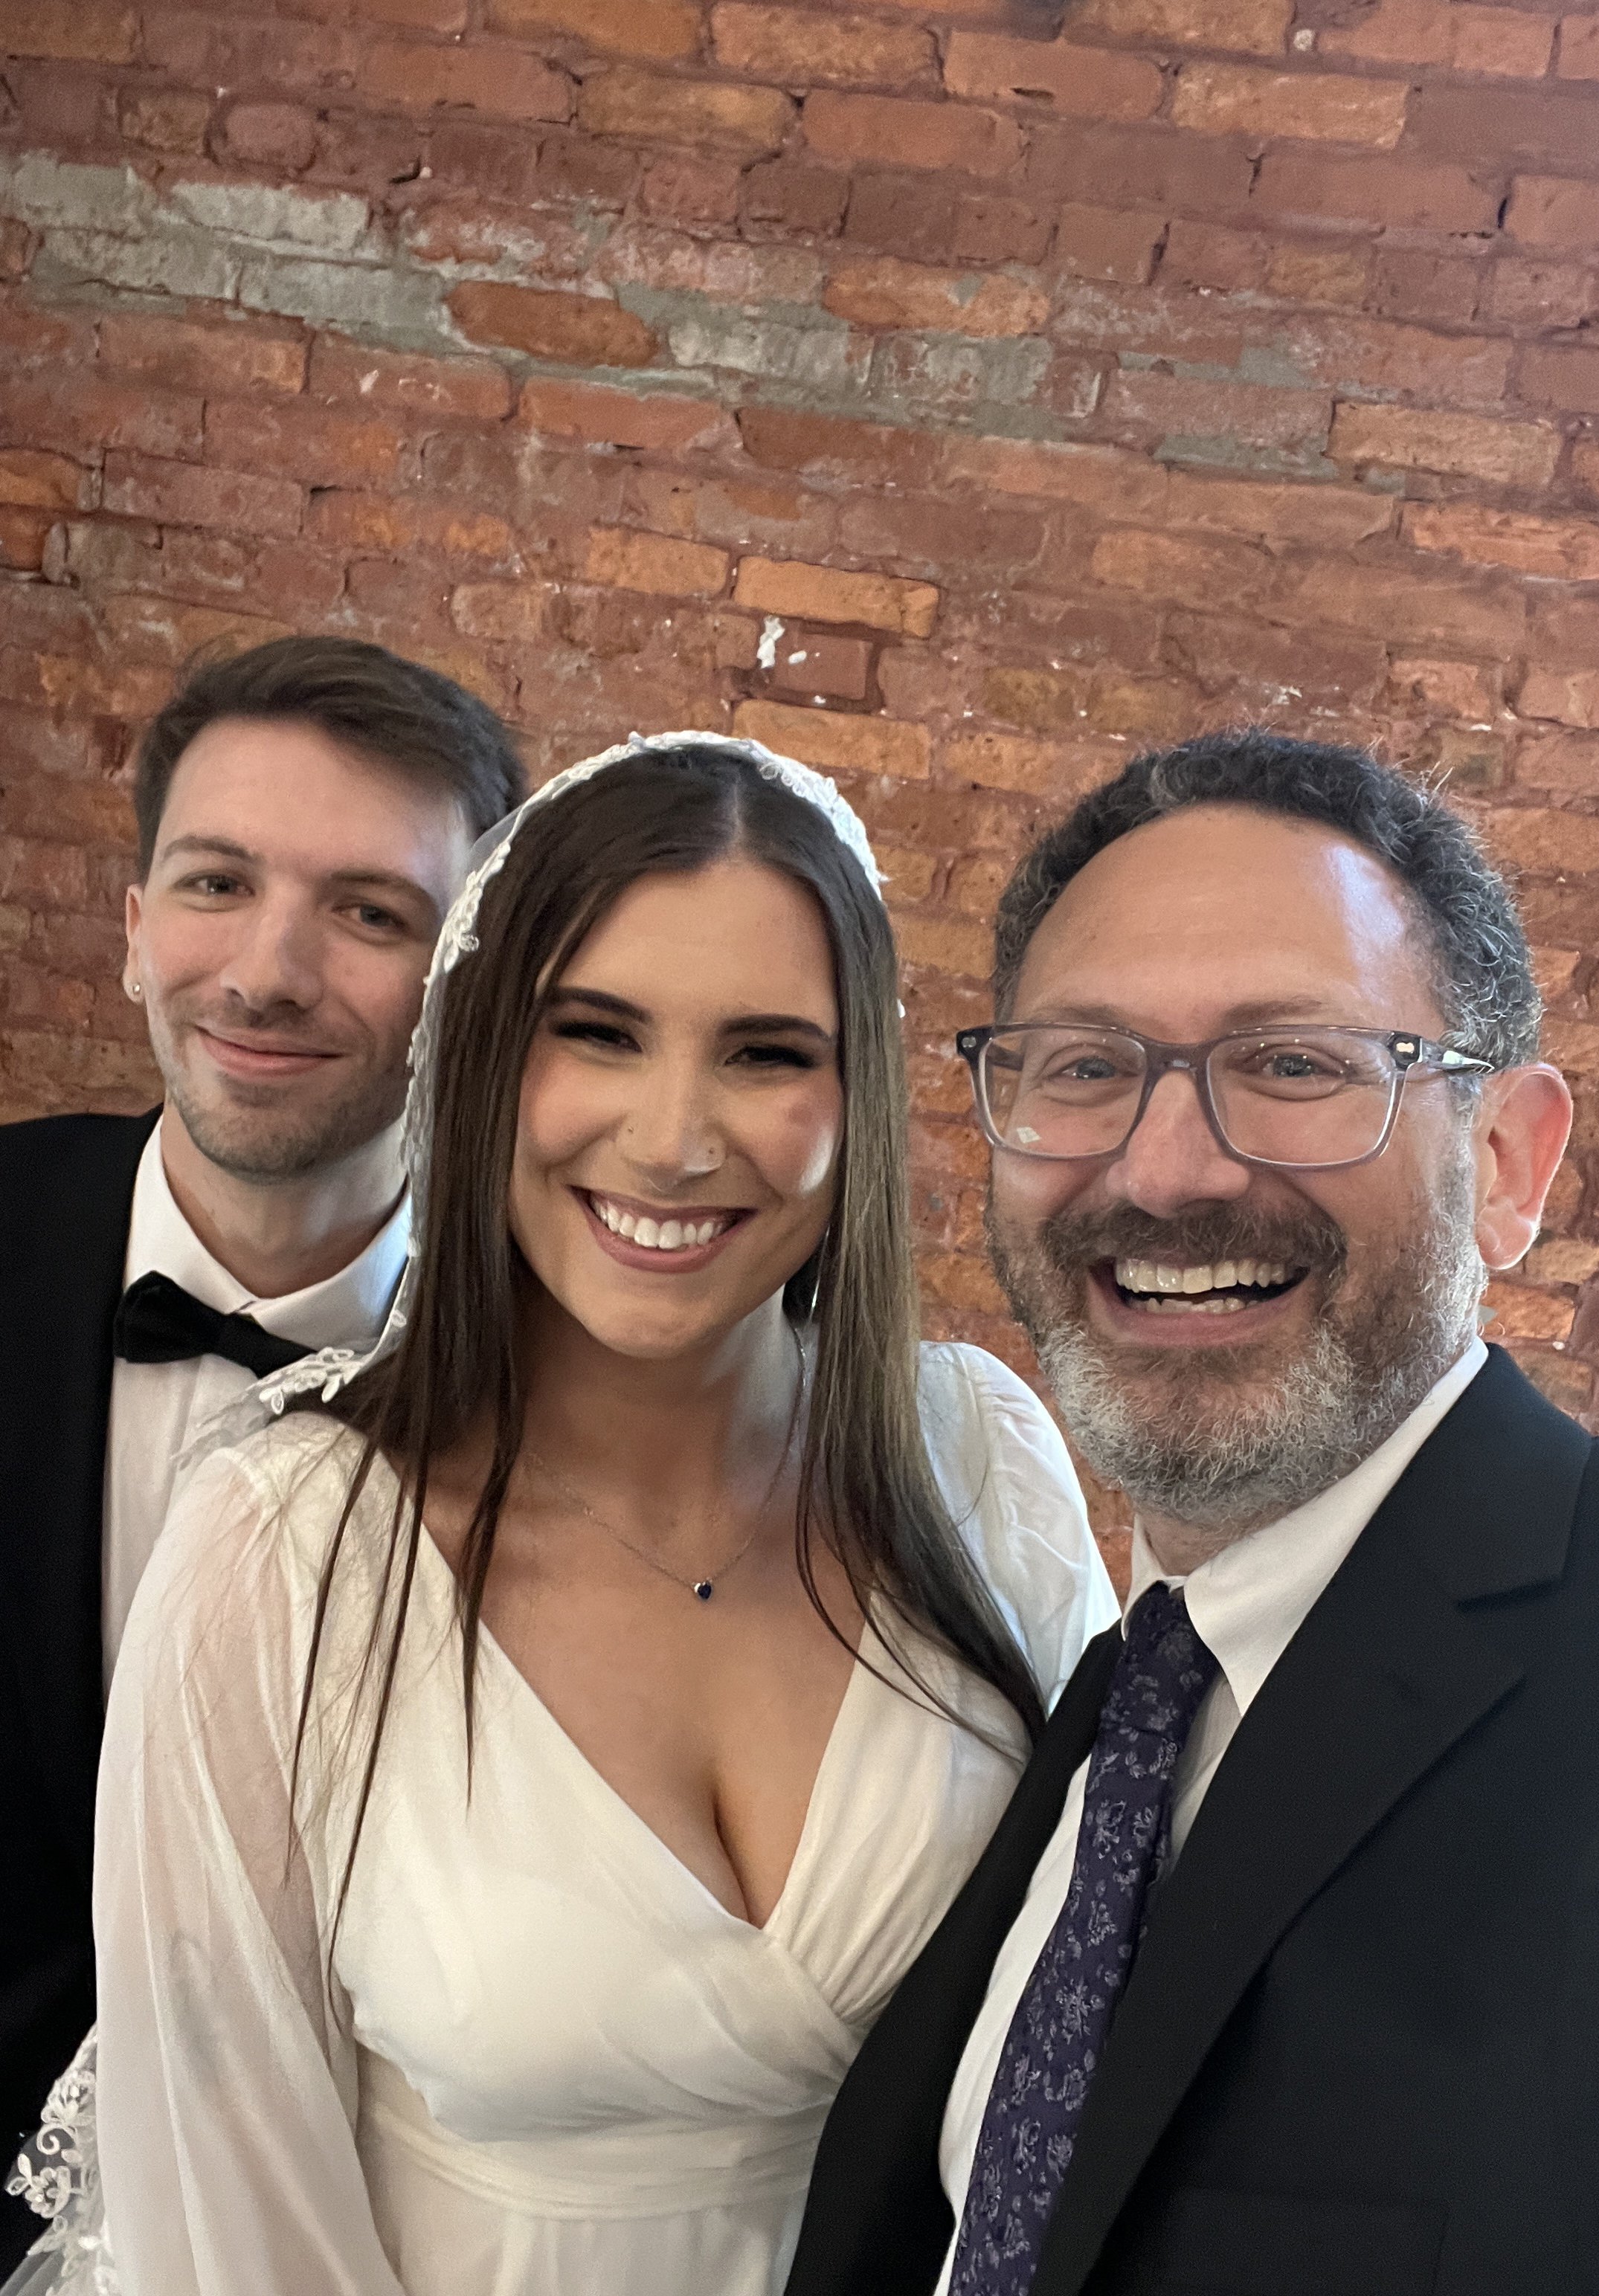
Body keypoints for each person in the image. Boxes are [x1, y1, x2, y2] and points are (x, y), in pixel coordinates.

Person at [76, 732, 1113, 2296]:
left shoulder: (977, 1458)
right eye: (598, 1032)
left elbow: (1099, 1992)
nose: (674, 1136)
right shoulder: (277, 1560)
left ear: (859, 1099)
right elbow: (224, 2207)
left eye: (767, 1052)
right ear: (489, 1049)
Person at [785, 727, 1599, 2296]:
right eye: (1085, 1065)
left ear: (1508, 1162)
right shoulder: (1118, 1695)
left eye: (1294, 1062)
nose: (1165, 1169)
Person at [0, 635, 524, 2277]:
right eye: (217, 882)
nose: (270, 971)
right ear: (137, 926)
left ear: (473, 976)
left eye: (371, 912)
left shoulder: (578, 1372)